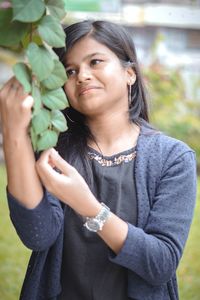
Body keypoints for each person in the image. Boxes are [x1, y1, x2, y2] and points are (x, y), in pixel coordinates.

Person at [0, 20, 197, 300]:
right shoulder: (54, 150)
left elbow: (160, 264)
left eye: (95, 62)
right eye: (70, 70)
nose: (81, 76)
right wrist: (12, 131)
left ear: (129, 73)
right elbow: (37, 235)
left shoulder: (173, 158)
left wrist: (88, 206)